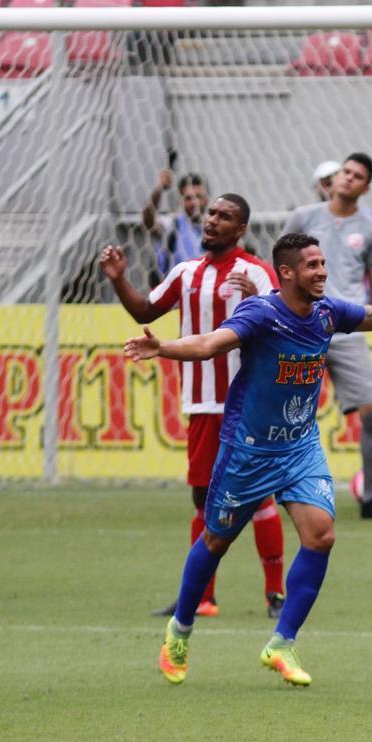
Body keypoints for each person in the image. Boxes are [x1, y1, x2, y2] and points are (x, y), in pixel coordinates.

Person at [124, 232, 372, 687]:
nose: (322, 272)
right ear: (287, 273)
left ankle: (281, 643)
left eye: (323, 264)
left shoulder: (327, 313)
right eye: (313, 265)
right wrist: (162, 347)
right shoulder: (260, 314)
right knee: (216, 541)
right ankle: (179, 630)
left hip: (299, 447)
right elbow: (211, 344)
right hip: (249, 451)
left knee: (320, 536)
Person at [101, 193, 286, 620]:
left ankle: (275, 595)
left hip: (248, 404)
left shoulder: (255, 272)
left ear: (240, 229)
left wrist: (259, 295)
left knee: (258, 498)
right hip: (202, 403)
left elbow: (286, 320)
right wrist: (117, 279)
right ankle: (202, 596)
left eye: (224, 217)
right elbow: (145, 309)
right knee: (203, 500)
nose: (212, 221)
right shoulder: (185, 273)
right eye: (211, 214)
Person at [283, 152, 372, 519]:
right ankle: (276, 493)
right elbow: (282, 270)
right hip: (302, 330)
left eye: (356, 176)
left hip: (347, 329)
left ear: (365, 187)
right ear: (335, 179)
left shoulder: (371, 230)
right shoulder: (304, 218)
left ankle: (370, 499)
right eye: (344, 172)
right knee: (284, 415)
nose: (347, 178)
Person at [142, 169, 209, 283]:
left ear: (206, 199)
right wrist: (159, 190)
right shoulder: (172, 224)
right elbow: (149, 221)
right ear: (181, 200)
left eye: (198, 197)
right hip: (175, 294)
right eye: (189, 198)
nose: (194, 203)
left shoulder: (211, 227)